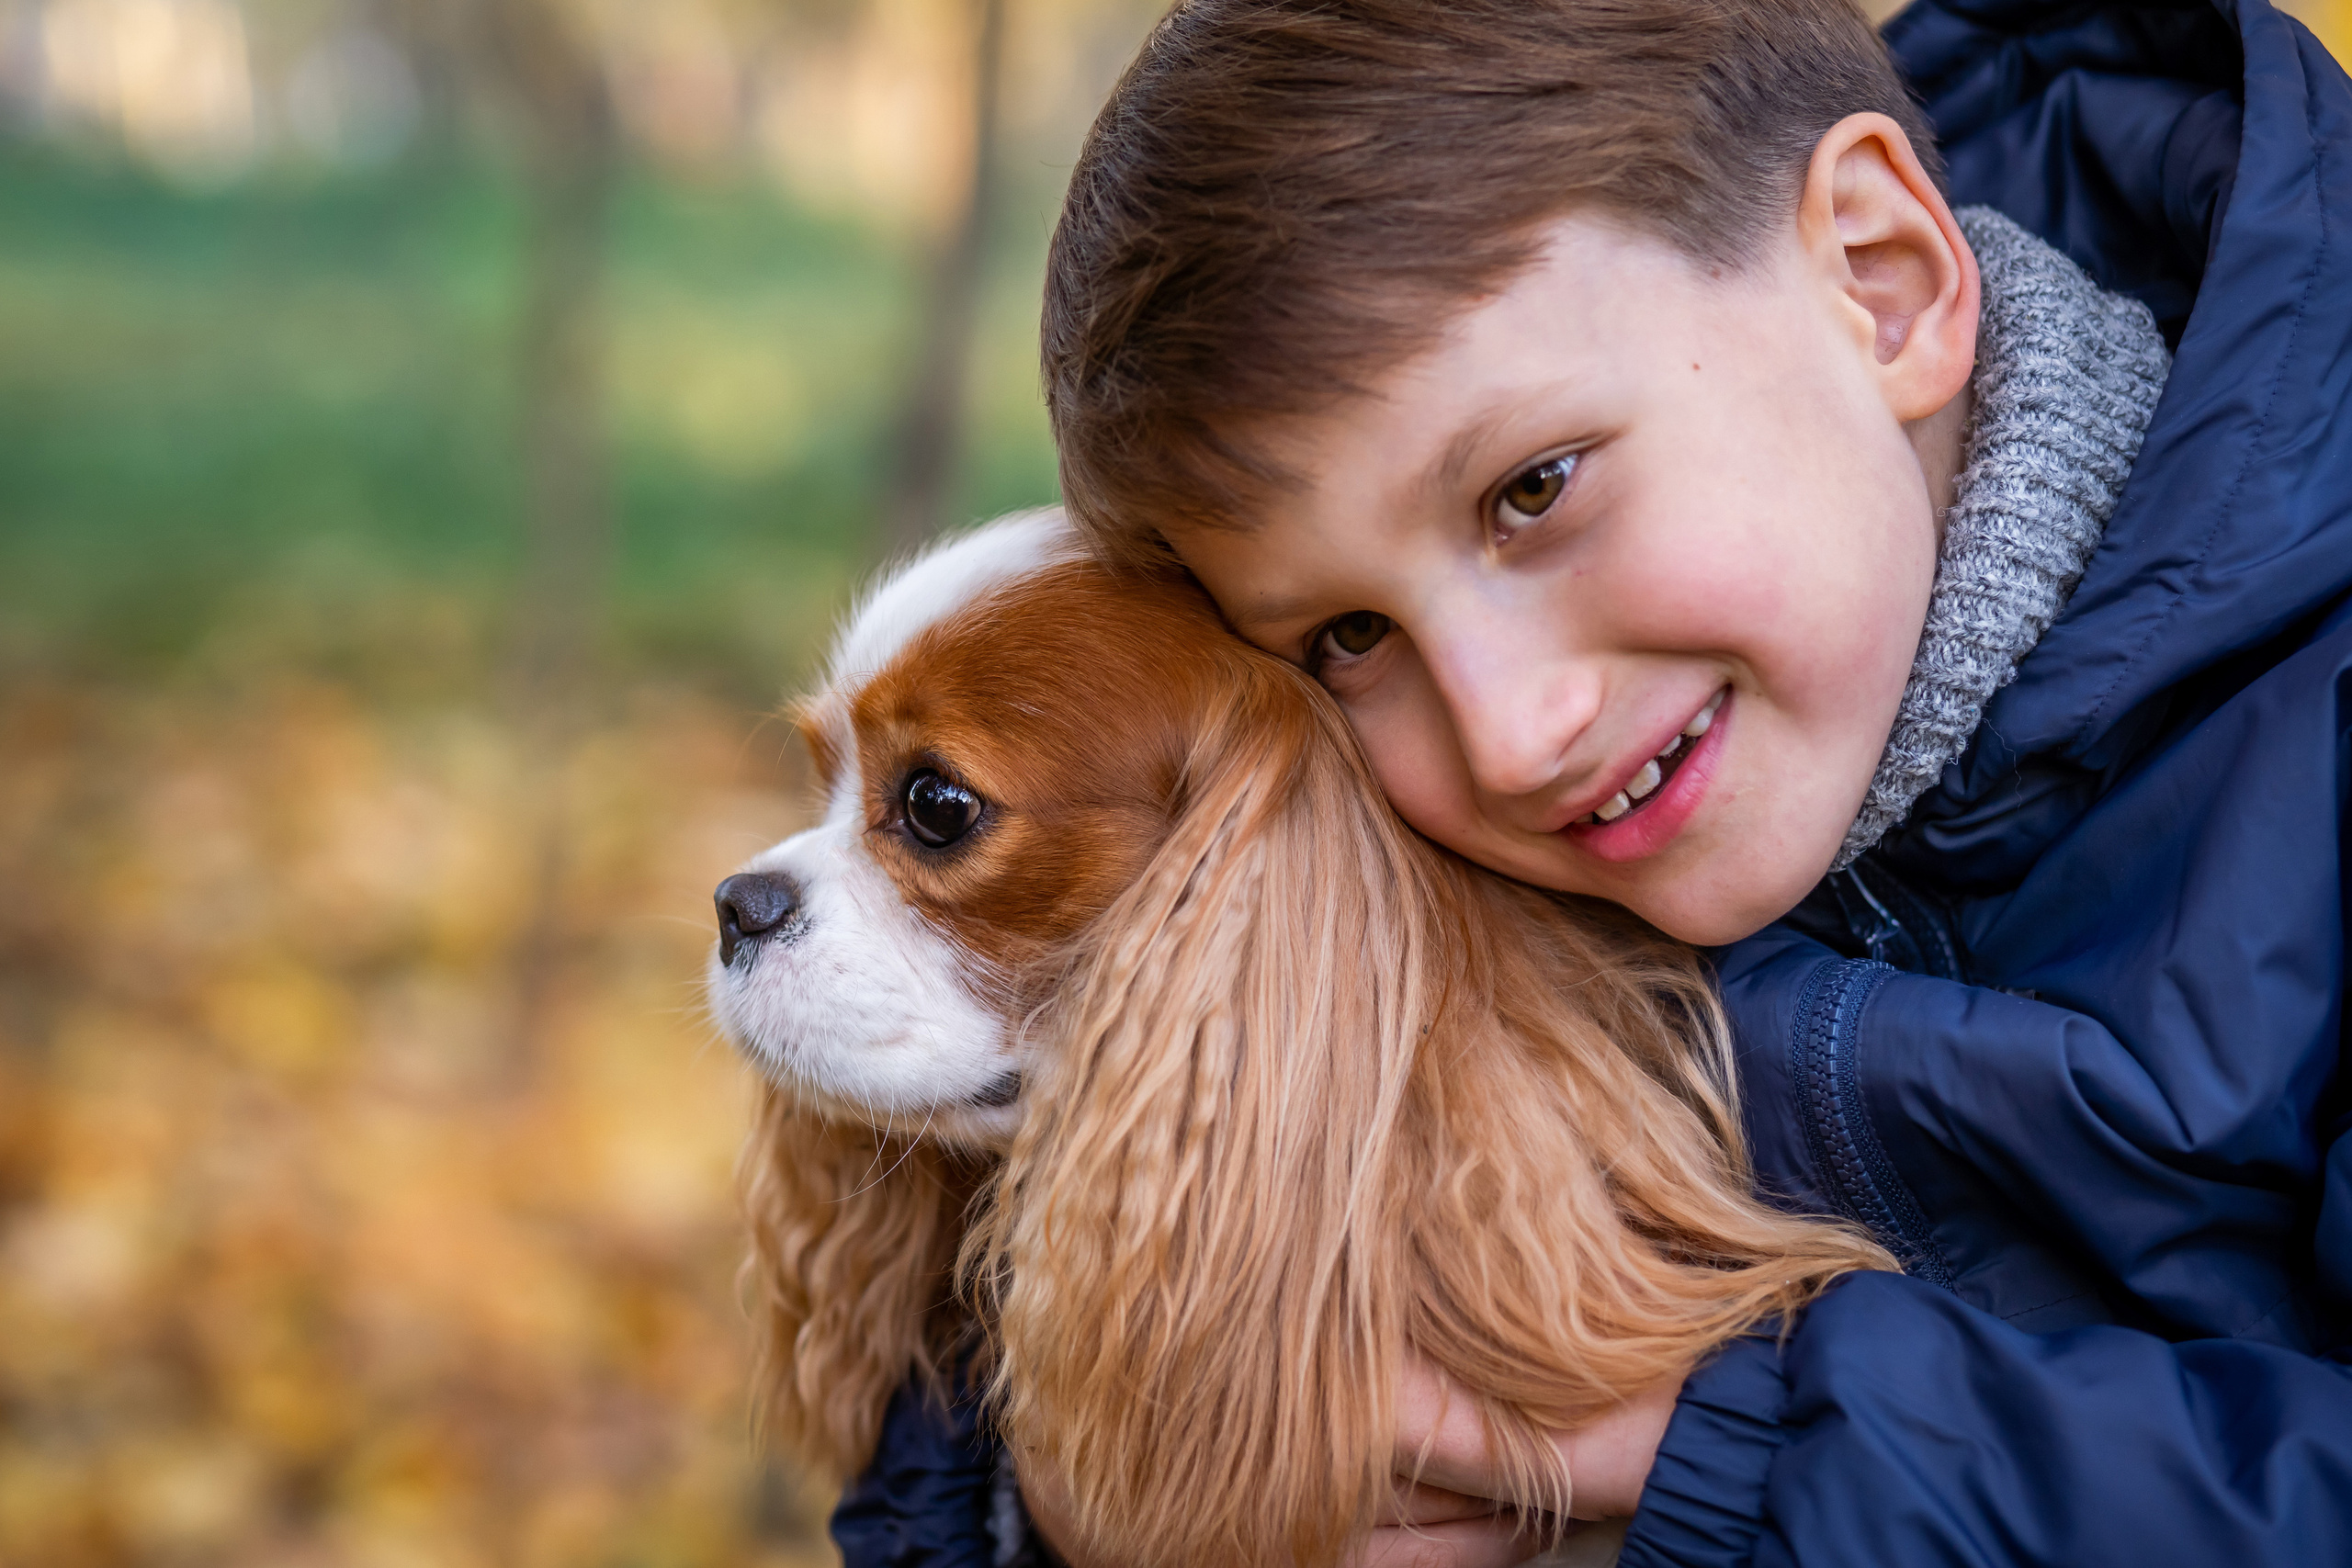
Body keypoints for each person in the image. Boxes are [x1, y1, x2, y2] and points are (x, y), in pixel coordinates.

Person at [832, 0, 2352, 1562]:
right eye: (1351, 635)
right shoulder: (1447, 820)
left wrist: (1719, 1453)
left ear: (1881, 280)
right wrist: (1090, 1501)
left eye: (1533, 490)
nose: (1507, 737)